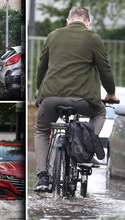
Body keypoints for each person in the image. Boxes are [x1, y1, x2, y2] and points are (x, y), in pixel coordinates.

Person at [33, 7, 119, 192]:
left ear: (68, 21)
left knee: (41, 130)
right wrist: (110, 93)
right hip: (82, 100)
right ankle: (86, 152)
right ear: (88, 23)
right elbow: (105, 70)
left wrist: (39, 88)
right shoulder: (93, 38)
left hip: (50, 97)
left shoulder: (53, 35)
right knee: (100, 112)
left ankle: (42, 177)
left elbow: (42, 65)